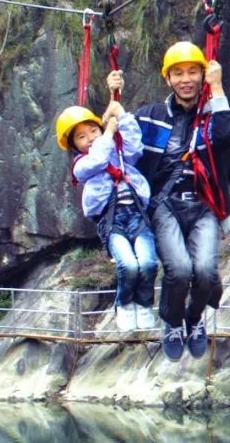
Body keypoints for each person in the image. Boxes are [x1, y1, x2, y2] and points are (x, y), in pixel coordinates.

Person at [106, 40, 230, 361]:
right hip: (164, 204)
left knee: (205, 271)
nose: (186, 79)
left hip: (203, 203)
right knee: (178, 268)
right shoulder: (150, 116)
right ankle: (173, 322)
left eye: (193, 72)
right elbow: (114, 141)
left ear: (203, 75)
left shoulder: (210, 116)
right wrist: (113, 98)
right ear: (167, 78)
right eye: (178, 73)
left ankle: (193, 319)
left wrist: (217, 88)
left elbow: (225, 136)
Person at [56, 103, 160, 334]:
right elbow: (98, 160)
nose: (90, 138)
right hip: (112, 221)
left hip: (136, 215)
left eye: (94, 131)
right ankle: (123, 305)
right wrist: (108, 133)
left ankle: (143, 304)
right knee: (128, 265)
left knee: (148, 263)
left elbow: (135, 146)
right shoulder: (81, 166)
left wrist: (121, 116)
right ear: (74, 146)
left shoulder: (119, 153)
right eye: (82, 137)